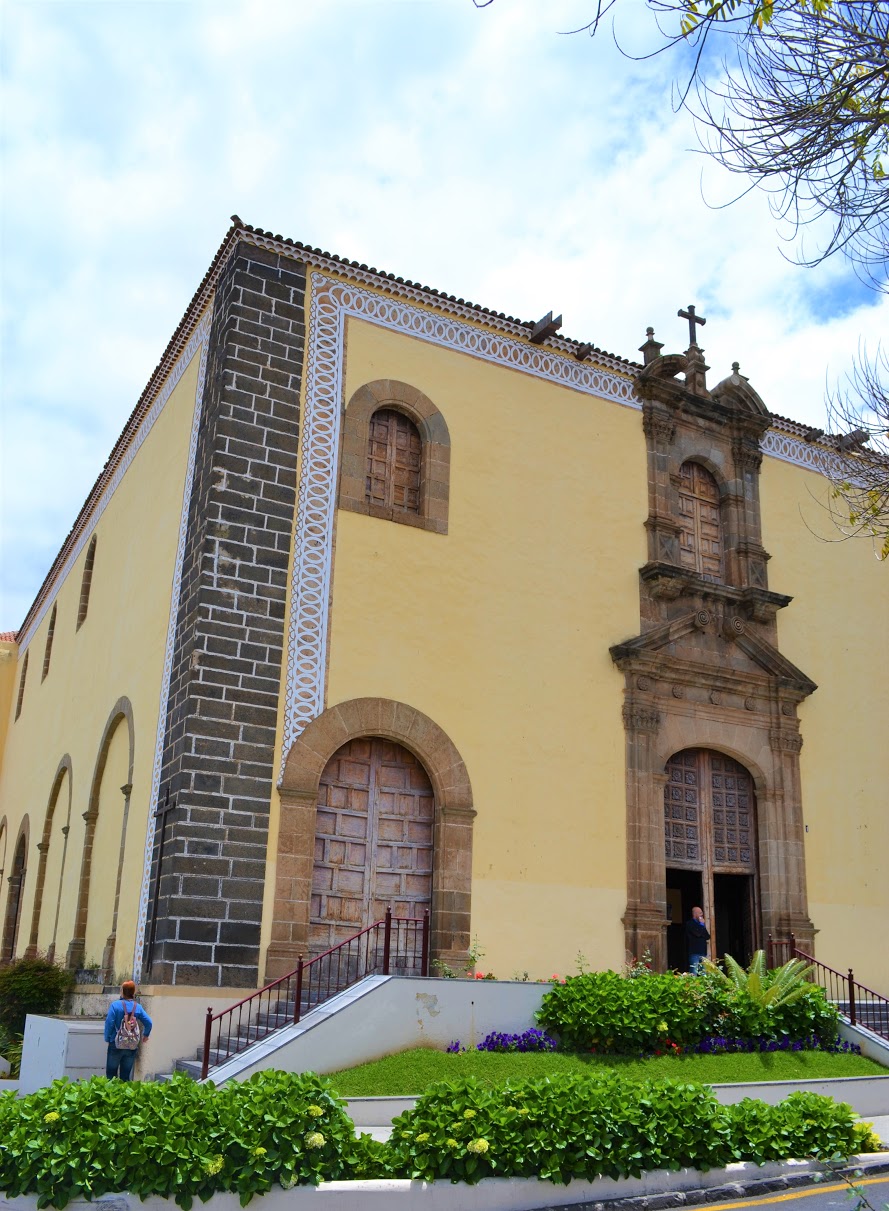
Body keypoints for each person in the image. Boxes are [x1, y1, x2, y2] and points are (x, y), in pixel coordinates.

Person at [104, 979, 152, 1080]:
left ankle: (111, 1095)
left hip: (115, 1043)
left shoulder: (115, 1005)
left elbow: (109, 1023)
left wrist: (107, 1038)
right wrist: (145, 1035)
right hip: (131, 1044)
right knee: (125, 1076)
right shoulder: (138, 1007)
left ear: (122, 991)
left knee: (111, 1075)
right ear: (133, 992)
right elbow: (149, 1022)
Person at [685, 906, 710, 975]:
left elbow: (707, 936)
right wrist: (702, 925)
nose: (702, 914)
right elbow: (698, 934)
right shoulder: (690, 923)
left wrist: (701, 927)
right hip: (694, 952)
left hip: (703, 952)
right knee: (694, 972)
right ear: (695, 913)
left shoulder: (700, 925)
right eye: (700, 913)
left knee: (704, 972)